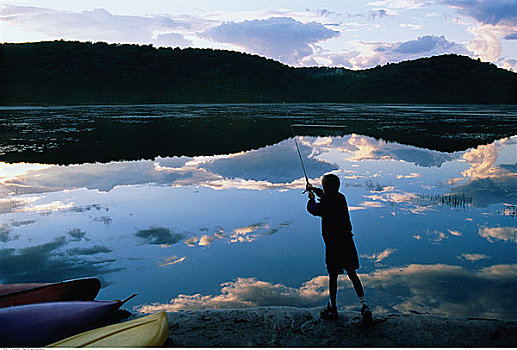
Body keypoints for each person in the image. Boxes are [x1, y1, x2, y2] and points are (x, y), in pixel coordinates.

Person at [306, 173, 372, 323]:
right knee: (352, 273)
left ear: (325, 187)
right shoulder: (341, 198)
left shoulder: (325, 205)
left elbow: (314, 209)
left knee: (333, 276)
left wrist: (310, 199)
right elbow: (326, 196)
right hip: (347, 243)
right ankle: (364, 305)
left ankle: (332, 308)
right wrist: (314, 189)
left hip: (333, 246)